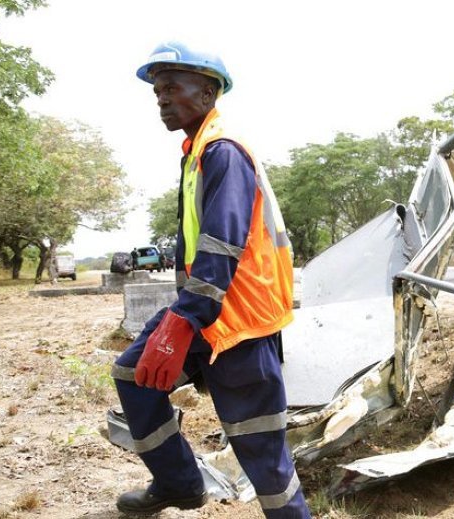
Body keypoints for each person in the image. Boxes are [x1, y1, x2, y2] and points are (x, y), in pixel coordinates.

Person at [111, 41, 310, 518]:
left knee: (259, 446)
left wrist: (181, 323)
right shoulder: (196, 152)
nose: (161, 99)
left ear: (207, 92)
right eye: (157, 91)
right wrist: (184, 318)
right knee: (134, 376)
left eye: (171, 88)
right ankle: (178, 483)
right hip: (204, 314)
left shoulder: (223, 152)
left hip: (239, 321)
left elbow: (223, 244)